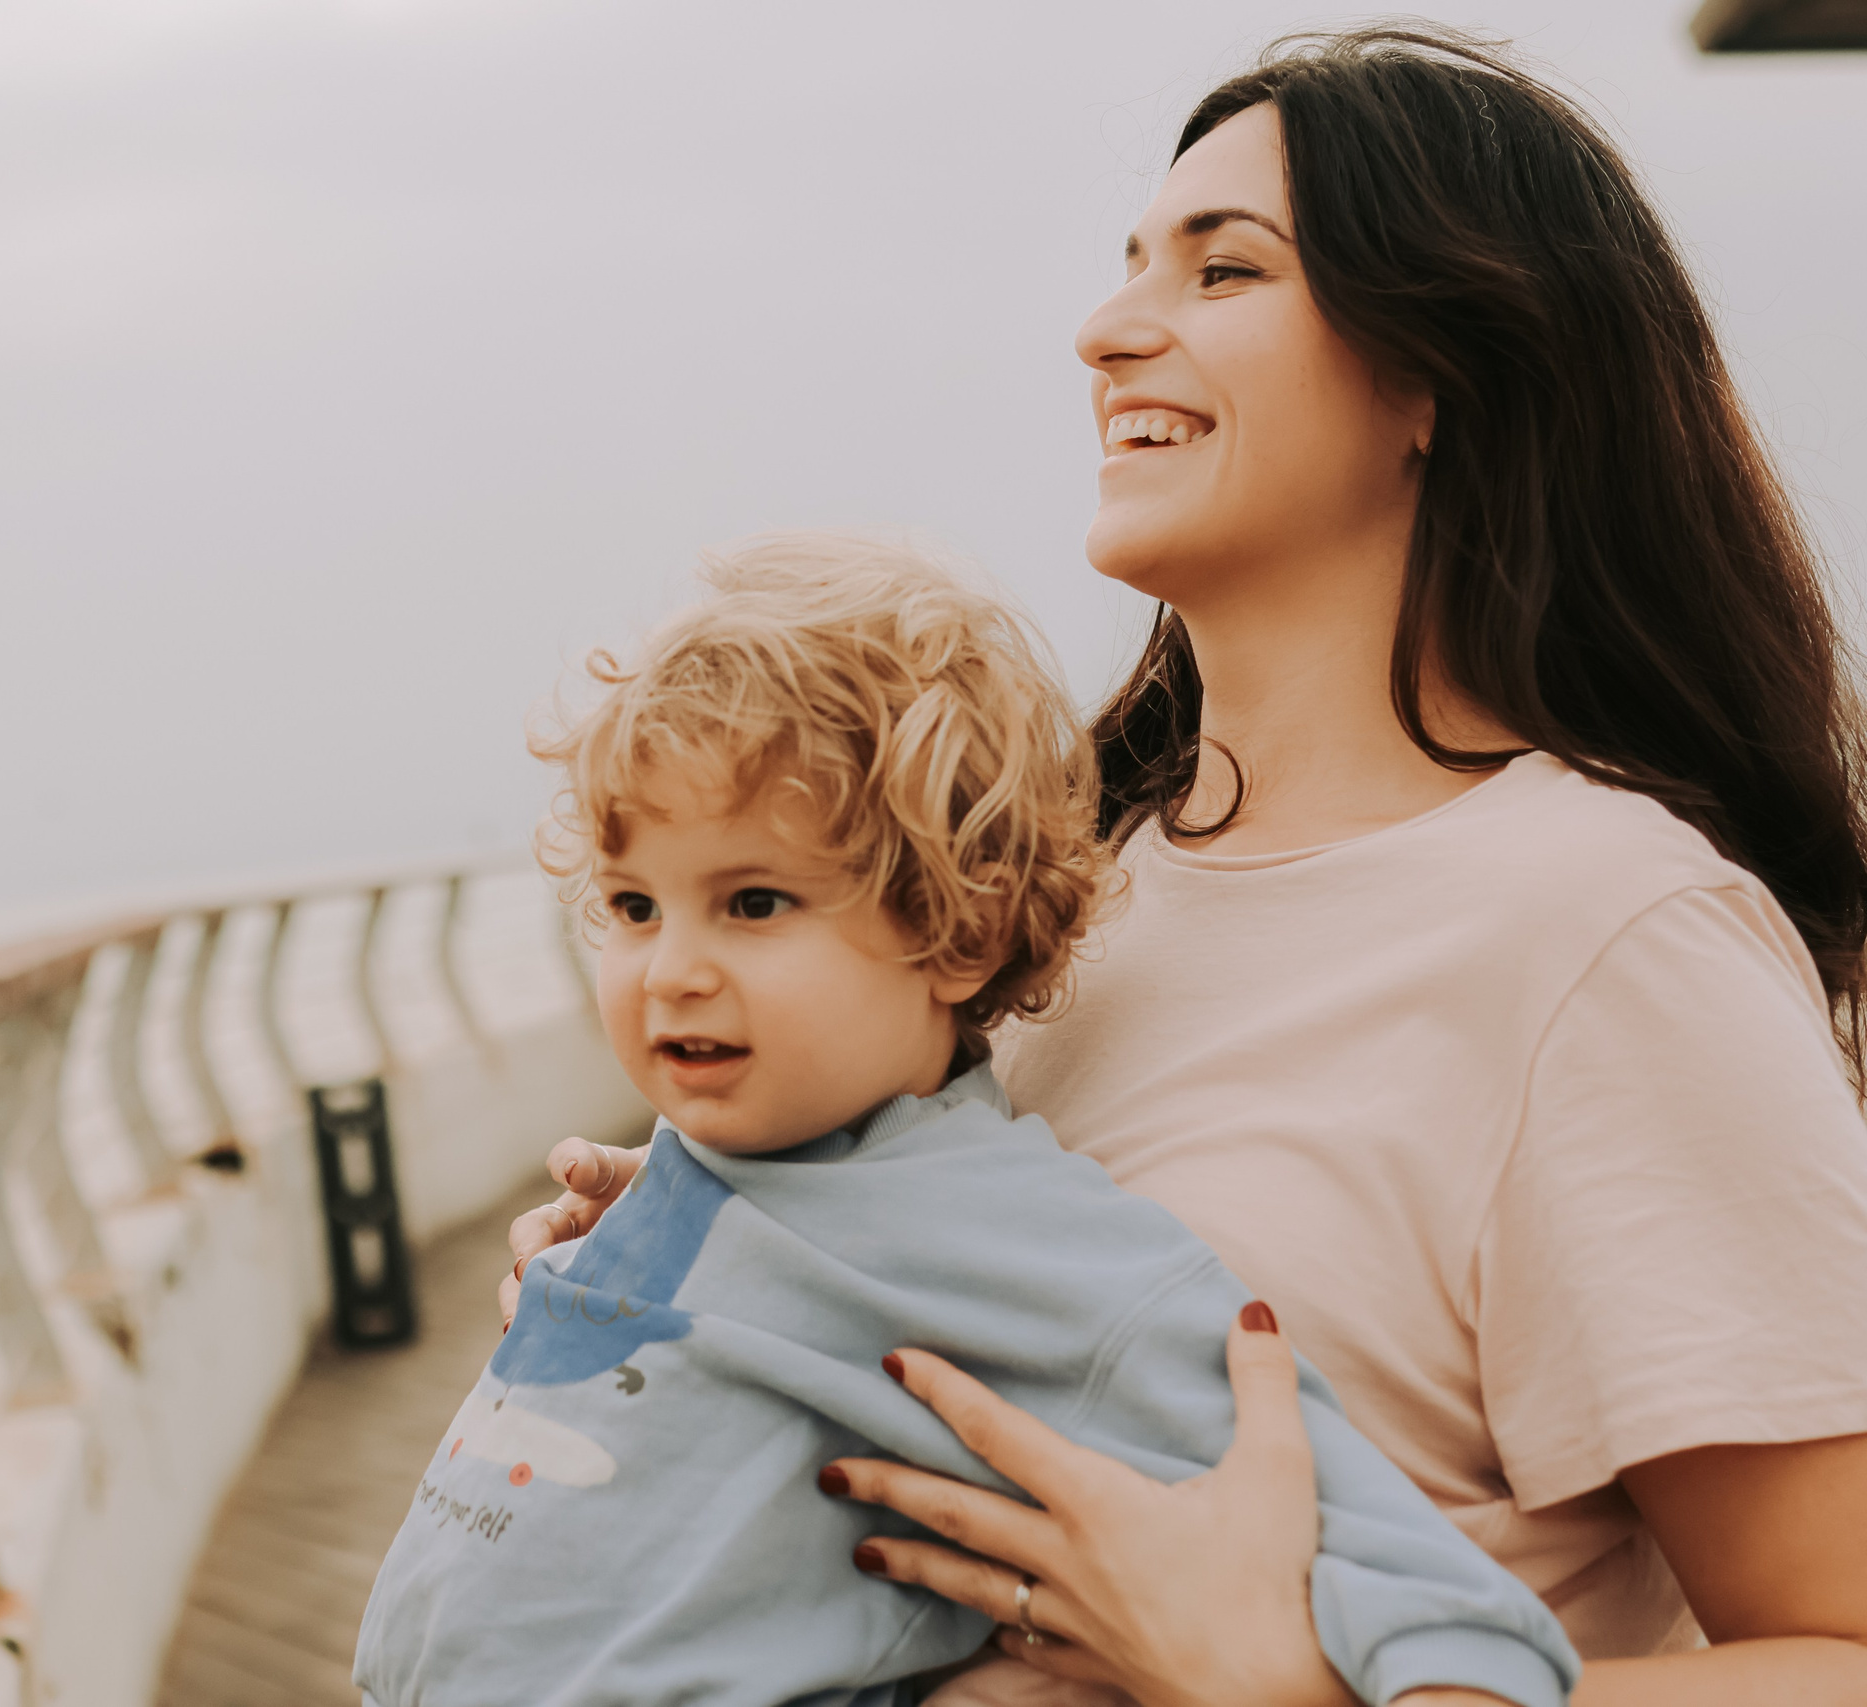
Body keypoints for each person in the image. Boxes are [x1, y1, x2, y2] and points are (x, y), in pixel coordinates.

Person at [503, 27, 1867, 1707]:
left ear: (1444, 368)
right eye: (1131, 263)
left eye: (1225, 270)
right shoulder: (1068, 882)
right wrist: (737, 1265)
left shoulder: (1607, 928)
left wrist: (1307, 1683)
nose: (1107, 329)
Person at [359, 538, 1578, 1707]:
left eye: (754, 901)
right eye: (633, 905)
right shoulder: (704, 1168)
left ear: (959, 931)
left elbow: (1436, 1603)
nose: (668, 969)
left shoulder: (1016, 1239)